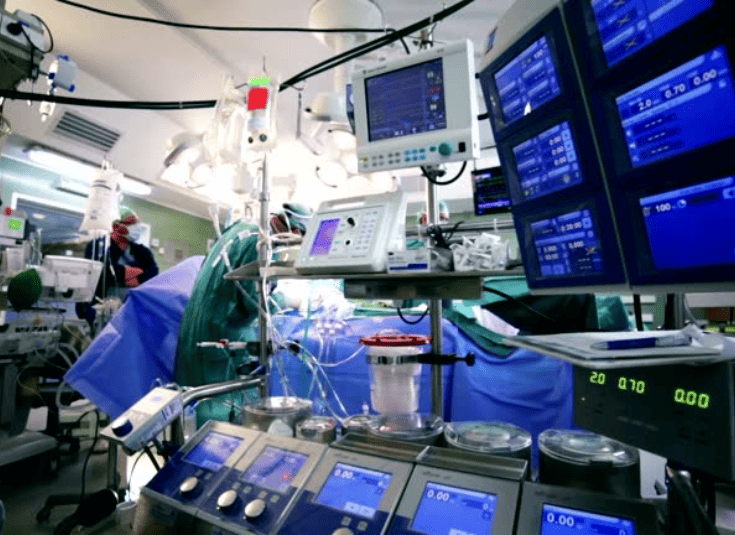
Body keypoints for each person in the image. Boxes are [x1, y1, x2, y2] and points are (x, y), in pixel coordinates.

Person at [77, 209, 159, 325]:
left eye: (137, 224)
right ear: (116, 226)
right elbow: (99, 272)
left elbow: (153, 273)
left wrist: (133, 275)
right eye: (131, 224)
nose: (136, 228)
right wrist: (125, 273)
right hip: (102, 308)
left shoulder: (142, 252)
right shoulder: (99, 246)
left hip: (131, 311)